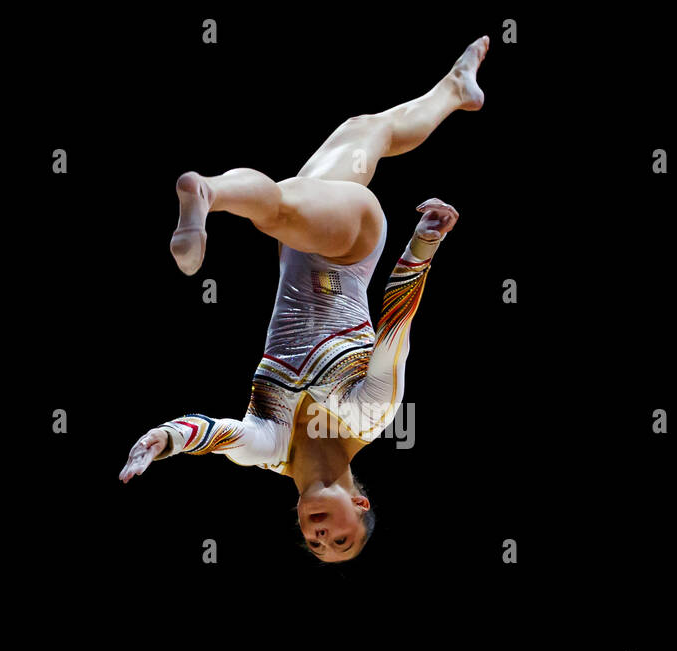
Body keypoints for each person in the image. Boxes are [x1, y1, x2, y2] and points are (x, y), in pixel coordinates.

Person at [120, 37, 489, 561]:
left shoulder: (266, 446)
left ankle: (455, 89)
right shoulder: (370, 415)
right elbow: (395, 329)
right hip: (351, 244)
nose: (321, 536)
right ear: (359, 503)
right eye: (341, 539)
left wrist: (161, 441)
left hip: (301, 249)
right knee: (279, 209)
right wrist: (424, 243)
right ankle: (207, 192)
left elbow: (211, 433)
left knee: (366, 131)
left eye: (317, 545)